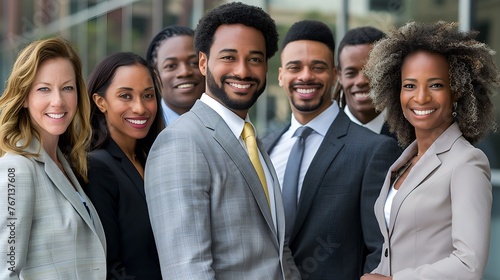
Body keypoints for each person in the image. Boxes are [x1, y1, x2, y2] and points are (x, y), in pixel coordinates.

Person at [144, 2, 300, 279]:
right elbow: (187, 269)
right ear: (203, 63)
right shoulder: (181, 143)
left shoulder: (251, 139)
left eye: (254, 59)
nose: (242, 71)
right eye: (228, 57)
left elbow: (278, 251)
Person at [262, 20, 401, 280]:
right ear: (281, 76)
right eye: (295, 67)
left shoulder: (375, 150)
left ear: (335, 75)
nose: (305, 76)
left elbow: (380, 249)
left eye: (317, 67)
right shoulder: (264, 148)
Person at [361, 21, 498, 280]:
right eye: (410, 85)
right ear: (396, 91)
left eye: (435, 85)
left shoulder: (467, 163)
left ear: (456, 91)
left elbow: (469, 264)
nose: (421, 97)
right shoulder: (404, 161)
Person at [0, 37, 106, 278]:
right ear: (24, 97)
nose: (58, 101)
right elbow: (5, 271)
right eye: (44, 89)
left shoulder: (65, 163)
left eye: (67, 88)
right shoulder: (16, 168)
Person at [84, 52, 164, 279]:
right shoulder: (97, 166)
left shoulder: (151, 160)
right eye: (125, 96)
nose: (140, 108)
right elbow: (107, 266)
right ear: (100, 102)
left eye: (148, 95)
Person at [336, 26, 394, 138]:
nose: (361, 81)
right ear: (339, 76)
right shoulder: (323, 136)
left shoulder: (412, 137)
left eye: (371, 72)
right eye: (351, 73)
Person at [146, 25, 205, 125]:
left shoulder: (232, 122)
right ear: (154, 75)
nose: (184, 72)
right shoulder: (142, 128)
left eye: (194, 62)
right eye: (171, 65)